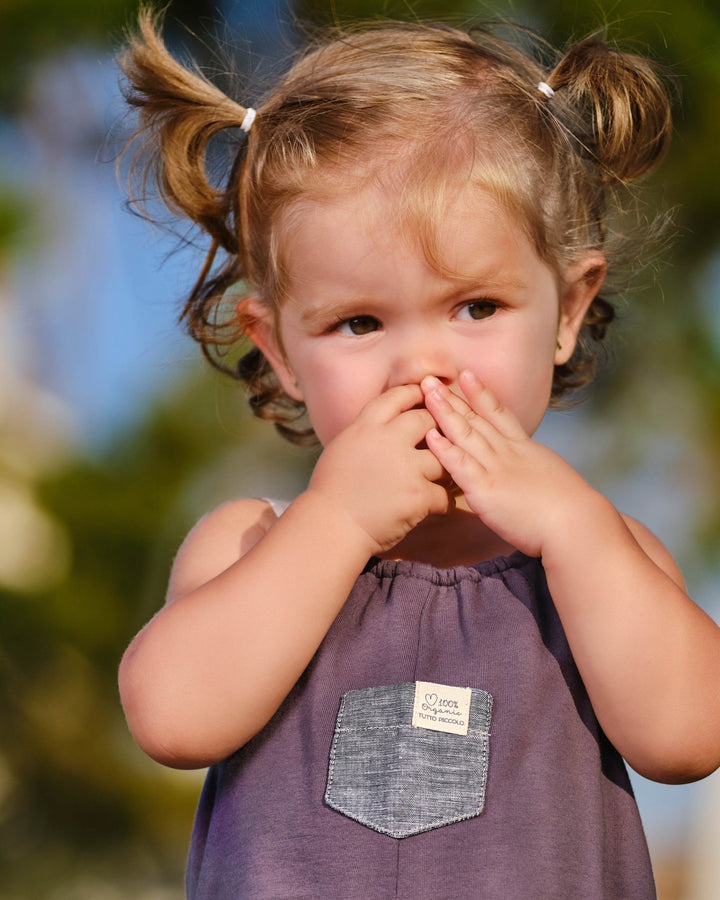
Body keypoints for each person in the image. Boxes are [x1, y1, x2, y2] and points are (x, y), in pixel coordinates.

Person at [118, 10, 720, 898]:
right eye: (359, 323)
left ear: (565, 308)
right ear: (279, 346)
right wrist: (337, 521)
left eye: (477, 306)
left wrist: (571, 526)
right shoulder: (251, 544)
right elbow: (171, 720)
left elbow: (689, 736)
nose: (423, 364)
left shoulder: (601, 557)